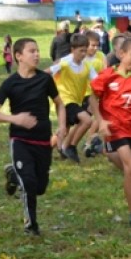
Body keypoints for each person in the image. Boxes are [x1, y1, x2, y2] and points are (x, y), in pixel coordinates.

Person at [0, 38, 64, 235]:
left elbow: (59, 104)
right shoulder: (10, 83)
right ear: (19, 56)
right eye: (32, 51)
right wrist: (15, 119)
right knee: (29, 183)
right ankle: (31, 225)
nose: (37, 55)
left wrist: (62, 126)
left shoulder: (44, 79)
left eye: (38, 51)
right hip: (20, 140)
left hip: (42, 140)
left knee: (39, 188)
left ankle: (13, 174)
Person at [89, 37, 131, 230]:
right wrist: (101, 120)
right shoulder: (107, 76)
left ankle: (105, 150)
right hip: (115, 128)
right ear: (121, 54)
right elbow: (92, 98)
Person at [49, 33, 98, 162]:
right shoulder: (64, 62)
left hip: (76, 100)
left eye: (85, 51)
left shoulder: (87, 65)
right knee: (87, 120)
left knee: (63, 131)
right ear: (72, 50)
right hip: (64, 101)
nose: (83, 54)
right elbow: (47, 72)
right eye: (80, 51)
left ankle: (44, 150)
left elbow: (98, 81)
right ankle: (71, 147)